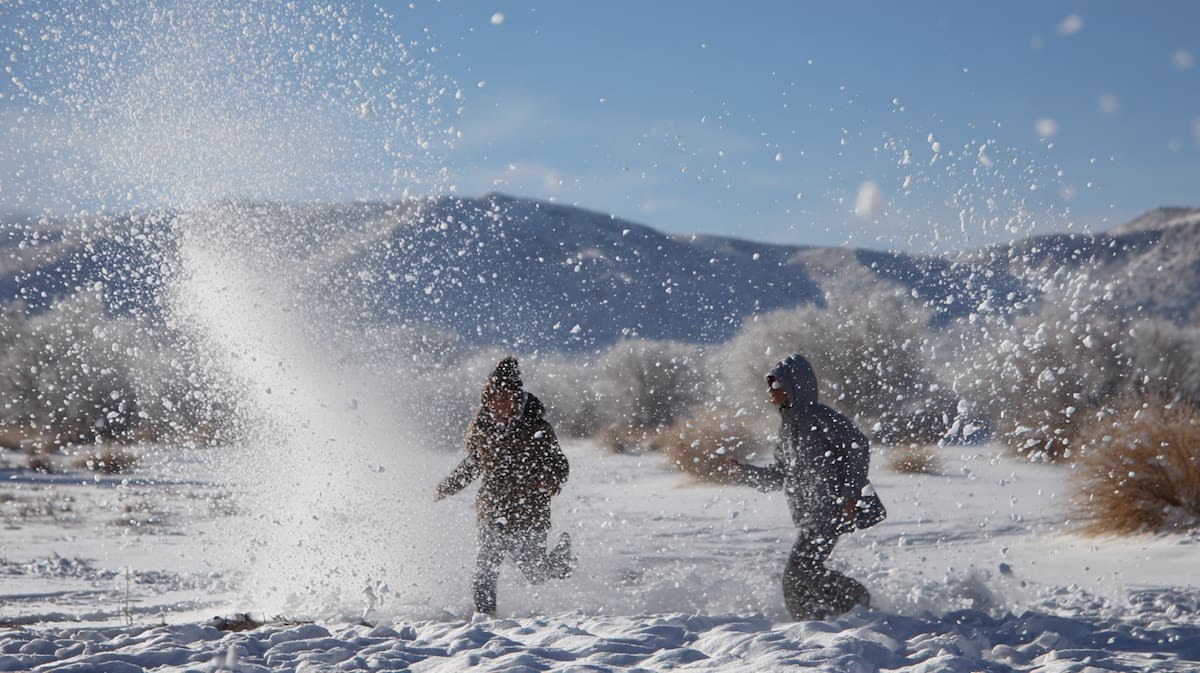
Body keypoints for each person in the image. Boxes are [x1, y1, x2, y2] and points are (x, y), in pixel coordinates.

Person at [724, 353, 876, 620]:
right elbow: (781, 474)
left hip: (831, 510)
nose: (770, 392)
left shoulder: (820, 416)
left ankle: (854, 602)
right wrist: (745, 473)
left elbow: (858, 446)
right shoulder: (788, 427)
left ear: (794, 386)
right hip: (809, 514)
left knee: (797, 571)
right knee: (803, 572)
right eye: (770, 385)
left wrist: (851, 495)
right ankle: (823, 616)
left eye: (776, 385)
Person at [435, 356, 574, 615]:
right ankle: (485, 620)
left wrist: (550, 479)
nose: (495, 404)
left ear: (515, 399)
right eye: (490, 398)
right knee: (486, 565)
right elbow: (473, 464)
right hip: (492, 508)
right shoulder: (482, 429)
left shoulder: (537, 427)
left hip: (529, 509)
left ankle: (561, 561)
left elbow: (560, 463)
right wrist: (446, 488)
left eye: (502, 397)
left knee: (535, 572)